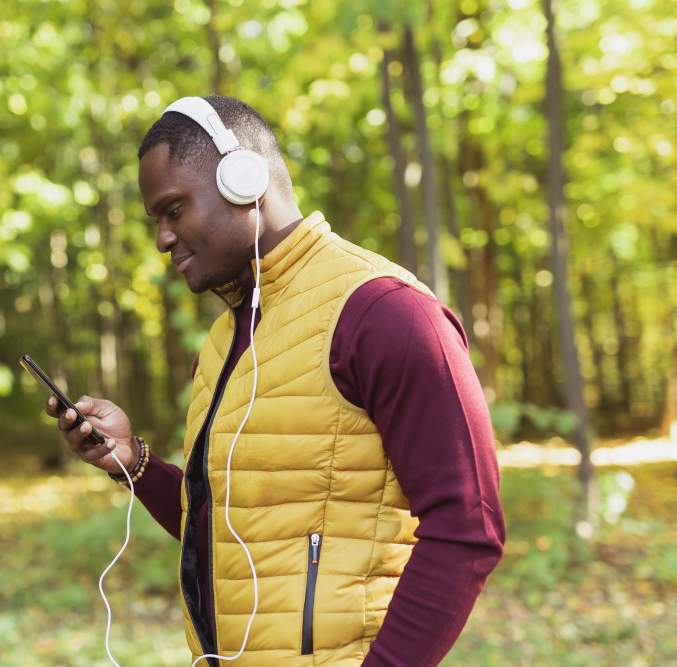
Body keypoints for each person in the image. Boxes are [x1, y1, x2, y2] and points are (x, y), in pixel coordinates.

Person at [46, 95, 505, 666]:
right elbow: (230, 525)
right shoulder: (222, 344)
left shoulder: (386, 314)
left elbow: (468, 528)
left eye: (173, 210)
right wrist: (133, 461)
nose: (162, 239)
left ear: (245, 181)